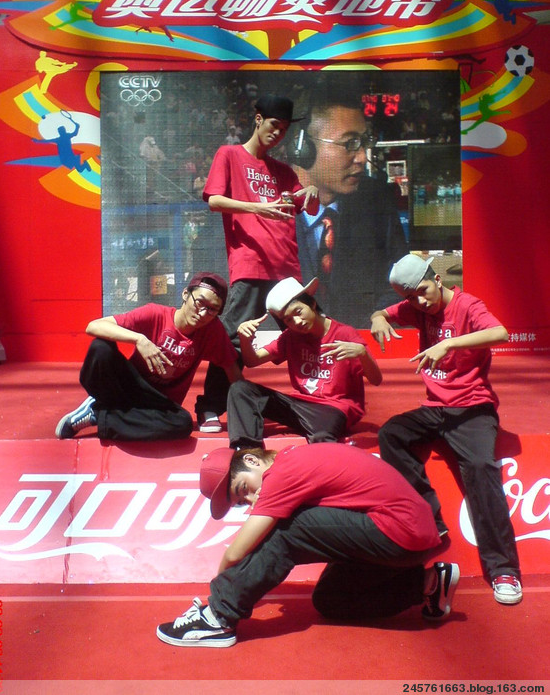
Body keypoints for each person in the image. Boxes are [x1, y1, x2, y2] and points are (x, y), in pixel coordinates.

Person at [156, 442, 460, 647]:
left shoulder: (284, 470)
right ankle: (429, 583)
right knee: (329, 601)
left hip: (400, 531)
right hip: (403, 539)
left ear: (251, 460)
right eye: (242, 501)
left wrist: (220, 583)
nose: (251, 500)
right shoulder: (293, 461)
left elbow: (236, 551)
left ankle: (218, 618)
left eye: (244, 488)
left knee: (288, 529)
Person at [370, 253, 522, 605]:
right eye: (411, 298)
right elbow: (385, 312)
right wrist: (377, 317)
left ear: (437, 279)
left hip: (472, 408)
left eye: (423, 291)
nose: (420, 302)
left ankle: (504, 569)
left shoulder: (467, 305)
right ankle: (430, 515)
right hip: (436, 408)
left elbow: (500, 332)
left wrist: (449, 342)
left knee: (481, 469)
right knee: (391, 434)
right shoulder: (416, 307)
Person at [194, 94, 319, 433]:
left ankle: (320, 399)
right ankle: (210, 406)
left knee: (305, 331)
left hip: (287, 269)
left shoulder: (284, 171)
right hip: (250, 265)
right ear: (258, 119)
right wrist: (257, 208)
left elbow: (307, 207)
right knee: (233, 339)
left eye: (285, 129)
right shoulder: (229, 154)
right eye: (274, 125)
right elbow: (214, 200)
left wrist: (311, 194)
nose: (278, 134)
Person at [55, 272, 241, 442]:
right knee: (101, 347)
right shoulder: (156, 314)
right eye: (200, 302)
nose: (203, 313)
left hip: (158, 403)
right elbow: (94, 326)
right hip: (128, 387)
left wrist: (248, 407)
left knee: (183, 423)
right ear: (185, 294)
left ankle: (98, 414)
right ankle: (107, 407)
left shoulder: (212, 330)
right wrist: (139, 339)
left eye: (212, 309)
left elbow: (232, 369)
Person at [290, 96, 407, 327]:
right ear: (303, 147)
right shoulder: (263, 202)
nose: (362, 157)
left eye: (363, 142)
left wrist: (378, 317)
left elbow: (399, 283)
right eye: (349, 143)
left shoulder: (377, 202)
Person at [227, 276, 382, 449]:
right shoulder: (290, 336)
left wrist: (362, 354)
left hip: (334, 408)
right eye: (288, 320)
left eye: (298, 312)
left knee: (322, 434)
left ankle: (327, 458)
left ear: (312, 304)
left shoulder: (345, 334)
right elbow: (252, 361)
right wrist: (244, 339)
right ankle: (247, 451)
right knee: (240, 389)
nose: (297, 322)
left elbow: (376, 379)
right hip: (299, 406)